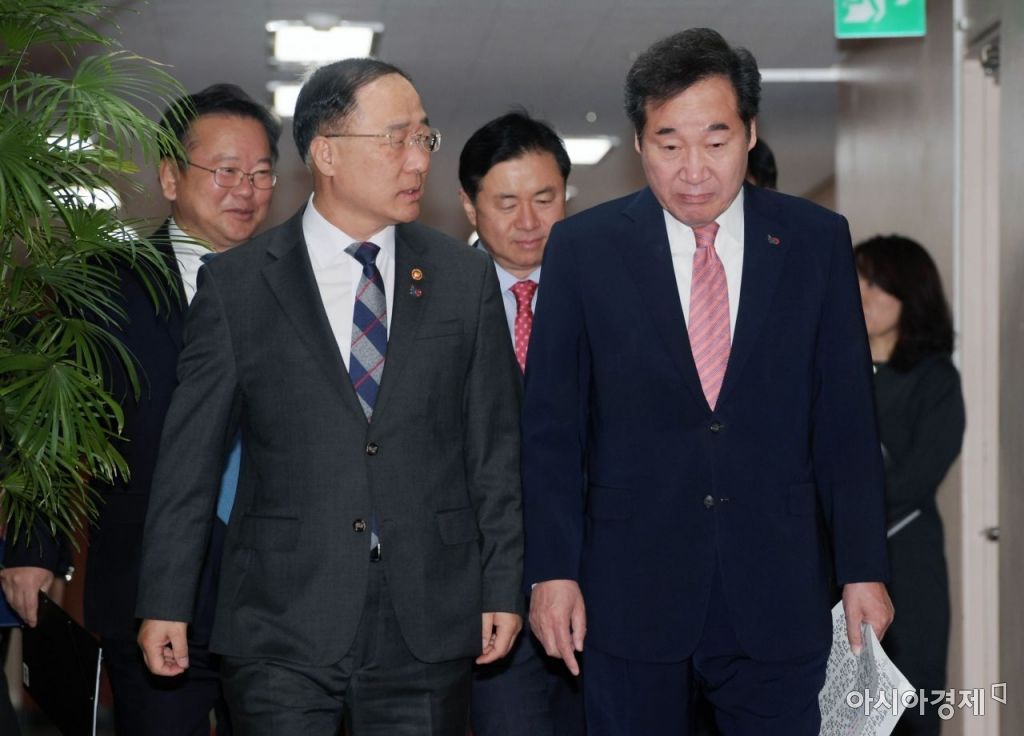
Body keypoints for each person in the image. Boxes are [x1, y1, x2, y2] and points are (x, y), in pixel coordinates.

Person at [134, 58, 524, 736]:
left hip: (428, 615)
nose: (418, 160)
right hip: (278, 617)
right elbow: (189, 459)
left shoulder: (464, 279)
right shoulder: (238, 285)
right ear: (327, 153)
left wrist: (502, 584)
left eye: (424, 138)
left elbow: (494, 451)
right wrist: (165, 599)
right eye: (396, 138)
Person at [521, 27, 894, 735]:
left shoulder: (815, 241)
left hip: (778, 587)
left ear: (750, 133)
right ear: (639, 143)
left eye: (715, 142)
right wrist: (552, 571)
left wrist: (863, 568)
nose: (693, 170)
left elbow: (846, 420)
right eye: (669, 145)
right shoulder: (583, 249)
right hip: (627, 590)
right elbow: (551, 429)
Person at [1, 82, 282, 736]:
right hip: (146, 587)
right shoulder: (103, 285)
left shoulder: (304, 289)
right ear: (170, 177)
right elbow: (43, 420)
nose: (246, 189)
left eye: (262, 173)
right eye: (226, 171)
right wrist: (33, 547)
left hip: (278, 598)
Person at [458, 111, 585, 736]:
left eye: (545, 198)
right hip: (487, 596)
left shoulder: (607, 291)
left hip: (598, 588)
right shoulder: (432, 300)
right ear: (469, 205)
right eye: (506, 203)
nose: (529, 221)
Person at [855, 235, 965, 736]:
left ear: (911, 295)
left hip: (908, 561)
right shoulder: (833, 371)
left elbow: (919, 476)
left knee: (913, 706)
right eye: (857, 280)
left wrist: (843, 512)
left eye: (877, 284)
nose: (862, 294)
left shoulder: (935, 379)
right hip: (833, 567)